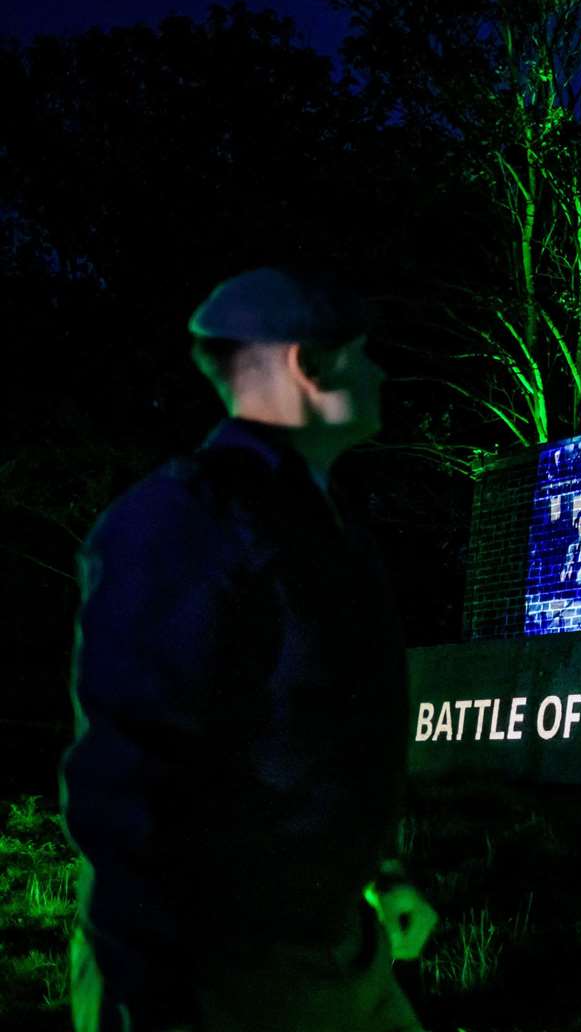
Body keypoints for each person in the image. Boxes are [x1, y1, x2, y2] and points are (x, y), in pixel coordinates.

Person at [59, 267, 435, 1031]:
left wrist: (379, 873)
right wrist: (149, 989)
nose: (380, 370)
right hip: (216, 965)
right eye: (363, 352)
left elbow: (322, 734)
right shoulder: (184, 521)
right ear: (312, 364)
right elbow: (127, 772)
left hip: (329, 949)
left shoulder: (328, 533)